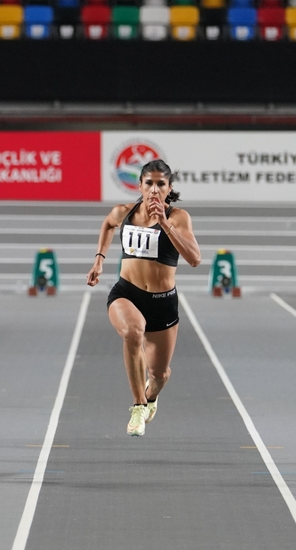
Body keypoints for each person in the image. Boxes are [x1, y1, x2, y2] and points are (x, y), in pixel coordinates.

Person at [86, 159, 201, 437]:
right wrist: (99, 259)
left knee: (160, 374)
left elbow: (195, 259)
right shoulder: (124, 212)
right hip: (127, 292)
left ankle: (151, 396)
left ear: (169, 188)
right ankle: (138, 404)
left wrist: (163, 222)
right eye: (148, 183)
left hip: (163, 301)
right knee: (133, 331)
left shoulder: (178, 218)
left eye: (161, 184)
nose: (153, 189)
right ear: (139, 185)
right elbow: (108, 224)